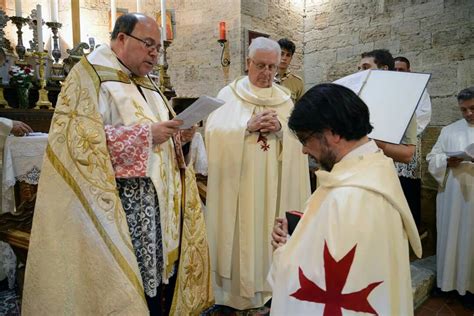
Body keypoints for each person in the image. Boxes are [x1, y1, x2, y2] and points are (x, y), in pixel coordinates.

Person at [22, 13, 212, 315]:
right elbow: (77, 142)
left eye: (158, 48)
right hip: (124, 209)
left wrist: (181, 138)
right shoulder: (91, 76)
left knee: (162, 285)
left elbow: (161, 142)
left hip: (161, 208)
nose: (154, 53)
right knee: (132, 287)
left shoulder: (149, 84)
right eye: (148, 44)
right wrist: (145, 136)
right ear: (121, 38)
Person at [269, 83, 422, 315]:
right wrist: (301, 233)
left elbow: (321, 290)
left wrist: (283, 250)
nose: (303, 151)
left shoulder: (350, 197)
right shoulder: (376, 168)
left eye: (304, 139)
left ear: (333, 133)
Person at [205, 37, 310, 310]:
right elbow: (212, 134)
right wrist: (245, 126)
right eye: (260, 65)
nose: (266, 73)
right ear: (248, 63)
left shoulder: (285, 100)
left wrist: (281, 131)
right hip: (238, 184)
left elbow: (302, 139)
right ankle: (232, 294)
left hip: (276, 186)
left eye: (272, 67)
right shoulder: (228, 94)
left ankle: (271, 287)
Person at [426, 87, 474, 307]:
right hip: (451, 193)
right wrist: (445, 160)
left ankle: (469, 288)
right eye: (463, 109)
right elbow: (432, 157)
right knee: (450, 236)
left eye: (472, 108)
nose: (468, 114)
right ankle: (447, 284)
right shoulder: (449, 130)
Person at [358, 49, 417, 164]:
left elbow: (407, 155)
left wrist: (368, 139)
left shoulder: (402, 103)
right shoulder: (355, 101)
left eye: (365, 68)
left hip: (379, 172)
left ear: (384, 69)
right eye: (359, 68)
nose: (359, 73)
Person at [393, 56, 432, 227]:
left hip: (408, 142)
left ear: (409, 71)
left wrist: (403, 132)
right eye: (395, 70)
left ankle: (411, 228)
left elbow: (424, 115)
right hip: (388, 142)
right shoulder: (387, 89)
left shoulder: (420, 90)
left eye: (401, 69)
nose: (398, 72)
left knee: (408, 186)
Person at [274, 38, 304, 103]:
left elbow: (301, 108)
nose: (284, 58)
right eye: (282, 53)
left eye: (288, 55)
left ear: (291, 58)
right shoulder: (265, 78)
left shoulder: (297, 82)